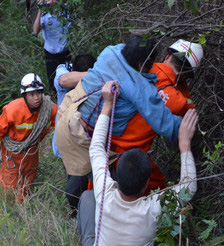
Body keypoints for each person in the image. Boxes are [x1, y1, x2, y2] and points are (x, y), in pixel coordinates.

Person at [77, 81, 198, 246]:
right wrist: (185, 145)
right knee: (171, 227)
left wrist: (107, 104)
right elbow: (189, 188)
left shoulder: (104, 192)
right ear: (145, 186)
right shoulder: (154, 208)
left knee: (87, 198)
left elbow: (96, 148)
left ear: (117, 177)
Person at [56, 35, 182, 177]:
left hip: (66, 115)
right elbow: (164, 123)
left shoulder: (110, 51)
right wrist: (188, 126)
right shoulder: (138, 87)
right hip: (81, 140)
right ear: (141, 65)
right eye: (150, 64)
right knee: (107, 186)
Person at [111, 39, 204, 194]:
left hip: (105, 142)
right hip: (133, 158)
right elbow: (191, 113)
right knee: (159, 193)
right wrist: (180, 85)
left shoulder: (142, 67)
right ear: (186, 76)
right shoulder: (178, 101)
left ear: (167, 56)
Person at [0, 73, 57, 202]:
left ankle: (22, 209)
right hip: (13, 155)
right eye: (32, 94)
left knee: (27, 182)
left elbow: (61, 123)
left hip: (32, 153)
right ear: (24, 96)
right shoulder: (12, 110)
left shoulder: (50, 109)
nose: (37, 98)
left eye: (39, 93)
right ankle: (7, 211)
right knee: (9, 186)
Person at [53, 54, 96, 217]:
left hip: (85, 145)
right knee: (75, 185)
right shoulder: (63, 73)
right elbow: (63, 80)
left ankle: (82, 212)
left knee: (80, 183)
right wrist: (98, 75)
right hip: (68, 144)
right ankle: (78, 213)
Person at [33, 0, 71, 92]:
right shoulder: (44, 14)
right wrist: (40, 10)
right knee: (52, 83)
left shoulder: (66, 10)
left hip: (65, 52)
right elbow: (35, 31)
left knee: (68, 81)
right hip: (50, 54)